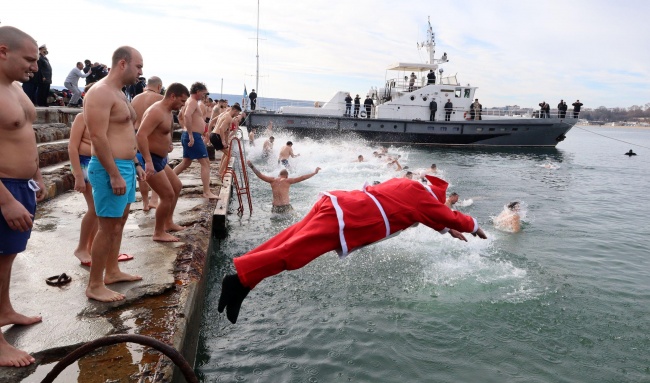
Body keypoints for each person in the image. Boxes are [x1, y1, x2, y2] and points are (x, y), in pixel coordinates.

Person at [217, 175, 488, 323]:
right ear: (437, 199)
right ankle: (239, 281)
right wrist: (472, 226)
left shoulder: (406, 185)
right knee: (295, 254)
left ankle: (244, 275)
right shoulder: (423, 200)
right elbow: (447, 216)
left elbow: (419, 214)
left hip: (334, 202)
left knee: (290, 238)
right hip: (346, 220)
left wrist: (443, 228)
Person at [0, 25, 47, 368]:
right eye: (29, 59)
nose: (35, 66)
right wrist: (5, 200)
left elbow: (24, 135)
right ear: (3, 51)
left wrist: (36, 173)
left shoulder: (14, 88)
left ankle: (4, 309)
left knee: (6, 259)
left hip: (22, 186)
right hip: (3, 190)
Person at [83, 45, 145, 302]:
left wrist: (135, 165)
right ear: (123, 63)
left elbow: (125, 132)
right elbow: (97, 136)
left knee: (119, 224)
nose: (141, 72)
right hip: (111, 168)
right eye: (138, 66)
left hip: (126, 166)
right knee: (107, 227)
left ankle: (113, 271)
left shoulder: (120, 93)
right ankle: (95, 284)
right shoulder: (99, 92)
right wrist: (114, 174)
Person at [136, 83, 189, 242]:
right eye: (181, 100)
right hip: (150, 158)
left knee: (177, 186)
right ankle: (158, 232)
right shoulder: (156, 111)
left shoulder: (166, 111)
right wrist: (148, 161)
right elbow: (140, 135)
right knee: (167, 195)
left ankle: (168, 222)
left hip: (159, 159)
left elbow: (161, 132)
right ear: (172, 96)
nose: (182, 105)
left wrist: (168, 143)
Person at [173, 82, 219, 199]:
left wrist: (189, 130)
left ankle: (168, 180)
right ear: (198, 91)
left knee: (186, 162)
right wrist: (190, 134)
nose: (205, 96)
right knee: (205, 163)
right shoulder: (193, 102)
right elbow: (187, 116)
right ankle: (206, 192)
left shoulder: (188, 101)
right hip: (192, 136)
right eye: (204, 93)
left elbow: (180, 117)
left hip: (190, 134)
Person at [67, 108, 97, 266]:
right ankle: (81, 248)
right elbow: (72, 147)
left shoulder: (104, 116)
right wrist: (78, 176)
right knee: (94, 208)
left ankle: (92, 248)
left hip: (98, 163)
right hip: (84, 164)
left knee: (99, 210)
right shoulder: (82, 117)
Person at [131, 76, 164, 211]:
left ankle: (145, 203)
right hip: (152, 136)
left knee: (142, 174)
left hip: (135, 135)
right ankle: (154, 200)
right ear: (159, 86)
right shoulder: (159, 99)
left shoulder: (135, 98)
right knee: (156, 169)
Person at [247, 160, 320, 216]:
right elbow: (302, 178)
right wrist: (314, 173)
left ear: (279, 175)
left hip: (275, 208)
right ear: (286, 176)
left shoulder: (272, 180)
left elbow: (260, 175)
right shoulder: (288, 180)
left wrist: (252, 166)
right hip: (285, 207)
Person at [210, 103, 243, 179]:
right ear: (235, 110)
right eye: (237, 113)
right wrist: (223, 141)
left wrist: (226, 140)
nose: (237, 115)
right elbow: (221, 128)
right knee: (229, 154)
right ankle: (221, 173)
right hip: (216, 136)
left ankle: (221, 170)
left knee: (226, 153)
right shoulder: (229, 118)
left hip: (213, 134)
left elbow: (224, 130)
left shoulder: (224, 114)